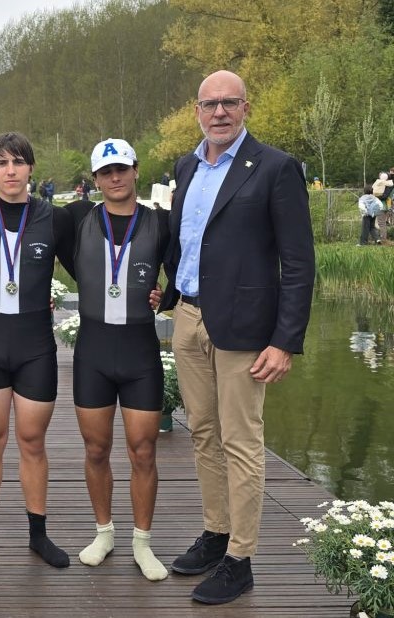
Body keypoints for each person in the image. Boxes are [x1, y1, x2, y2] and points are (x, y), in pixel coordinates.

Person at [162, 70, 315, 604]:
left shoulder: (275, 168)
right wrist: (166, 297)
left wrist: (285, 339)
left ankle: (241, 558)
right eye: (210, 104)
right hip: (189, 318)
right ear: (197, 109)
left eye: (229, 103)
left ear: (246, 106)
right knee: (202, 432)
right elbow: (183, 237)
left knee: (241, 441)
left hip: (246, 328)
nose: (219, 112)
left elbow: (298, 262)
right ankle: (216, 531)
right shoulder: (186, 165)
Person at [0, 132, 75, 570]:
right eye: (1, 163)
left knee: (31, 441)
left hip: (36, 344)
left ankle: (38, 535)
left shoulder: (53, 218)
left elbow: (88, 266)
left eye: (18, 162)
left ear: (30, 169)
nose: (10, 171)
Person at [71, 139, 171, 582]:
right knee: (96, 448)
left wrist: (167, 295)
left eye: (122, 169)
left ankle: (142, 542)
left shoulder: (160, 222)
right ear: (95, 179)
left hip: (139, 351)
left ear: (135, 171)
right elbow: (17, 214)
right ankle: (104, 532)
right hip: (92, 350)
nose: (115, 178)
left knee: (143, 450)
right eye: (105, 172)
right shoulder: (76, 220)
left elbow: (189, 269)